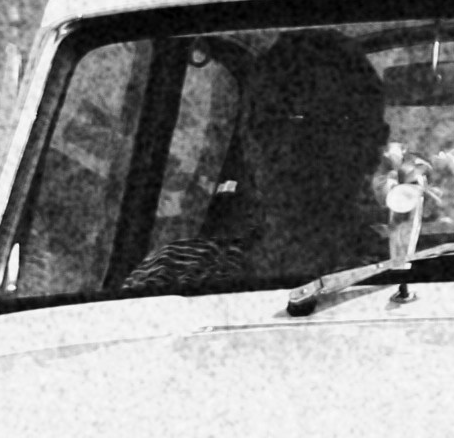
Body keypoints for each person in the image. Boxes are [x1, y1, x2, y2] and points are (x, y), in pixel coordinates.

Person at [131, 33, 393, 291]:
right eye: (270, 123)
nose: (289, 146)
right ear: (247, 140)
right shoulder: (173, 272)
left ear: (371, 144)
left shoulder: (399, 282)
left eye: (321, 124)